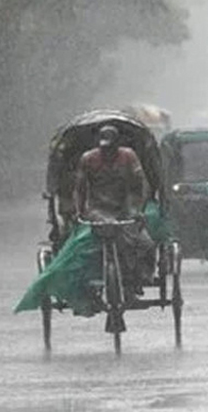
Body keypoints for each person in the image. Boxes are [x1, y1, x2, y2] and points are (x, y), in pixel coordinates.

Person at [73, 125, 156, 293]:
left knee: (147, 245)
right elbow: (80, 188)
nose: (107, 153)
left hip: (124, 208)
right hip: (98, 210)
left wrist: (140, 209)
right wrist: (79, 211)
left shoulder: (128, 157)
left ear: (117, 145)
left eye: (110, 149)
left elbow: (142, 184)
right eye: (104, 148)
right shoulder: (88, 159)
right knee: (82, 248)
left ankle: (141, 275)